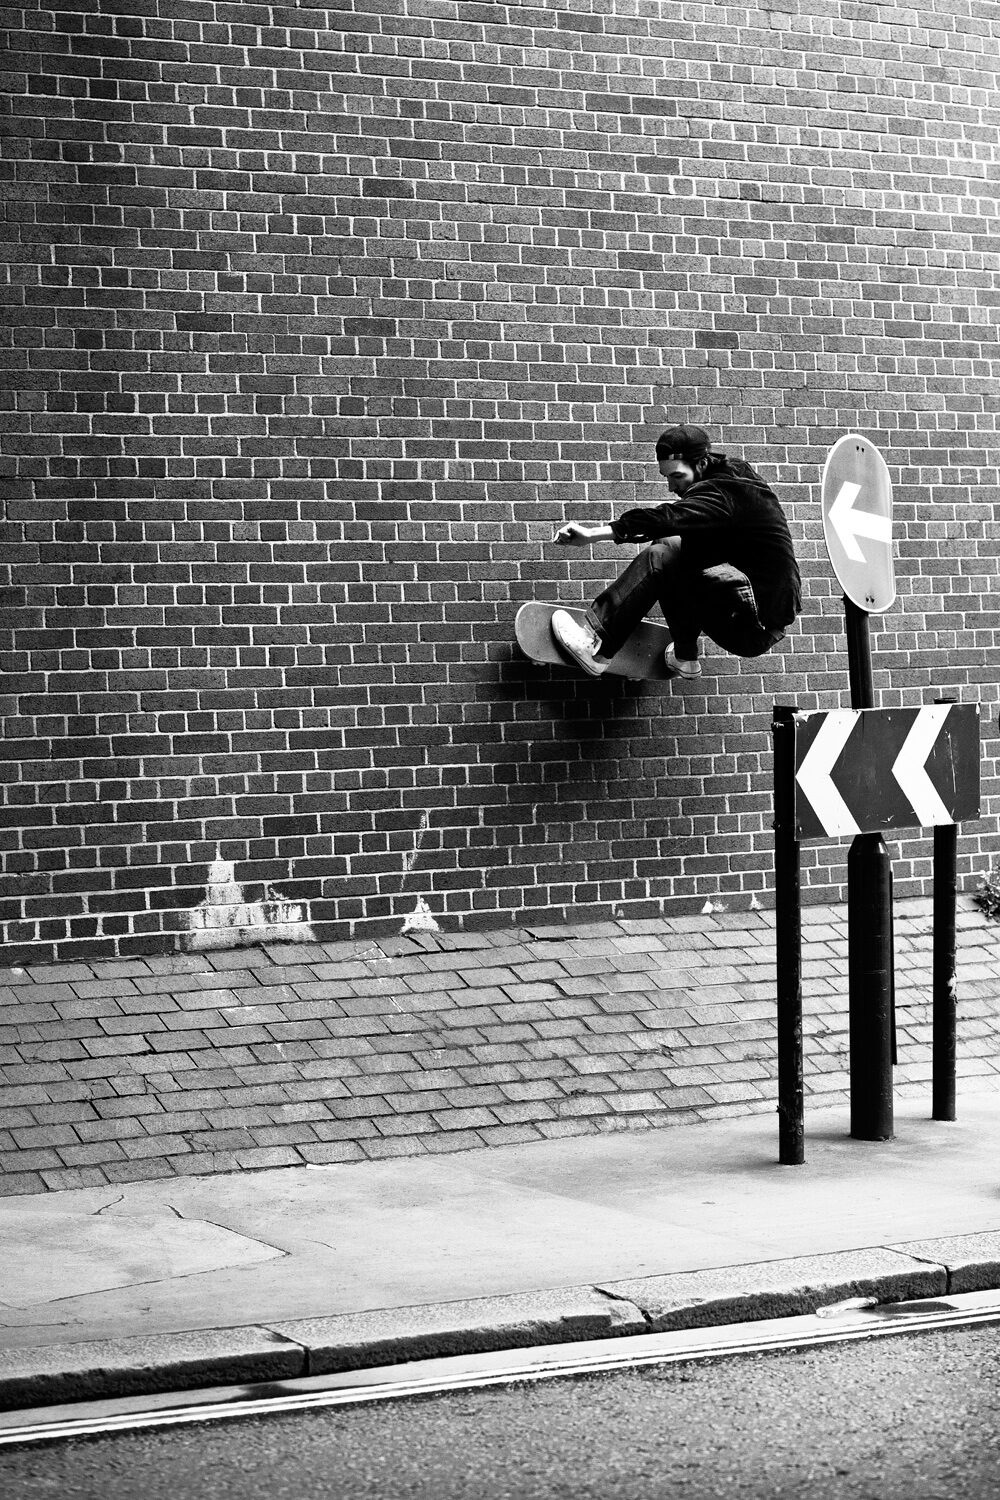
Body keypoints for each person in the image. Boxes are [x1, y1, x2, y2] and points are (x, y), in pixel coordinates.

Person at [551, 423, 801, 678]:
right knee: (670, 543)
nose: (671, 486)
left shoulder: (721, 492)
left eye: (677, 476)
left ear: (701, 464)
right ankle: (685, 658)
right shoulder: (734, 473)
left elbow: (666, 517)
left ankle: (596, 650)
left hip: (750, 624)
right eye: (667, 477)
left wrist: (593, 534)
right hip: (753, 606)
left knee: (658, 558)